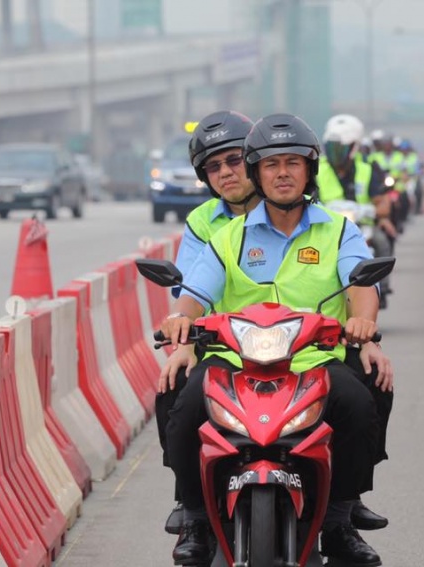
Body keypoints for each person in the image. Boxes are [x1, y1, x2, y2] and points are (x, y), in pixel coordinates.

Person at [161, 113, 391, 566]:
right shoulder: (227, 238)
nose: (282, 172)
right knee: (183, 397)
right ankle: (197, 519)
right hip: (234, 360)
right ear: (256, 172)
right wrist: (179, 321)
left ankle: (340, 519)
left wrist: (364, 326)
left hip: (314, 360)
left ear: (310, 170)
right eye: (270, 164)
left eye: (292, 163)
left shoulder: (339, 230)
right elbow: (194, 291)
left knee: (366, 393)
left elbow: (361, 286)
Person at [155, 110, 260, 535]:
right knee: (173, 394)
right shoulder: (203, 223)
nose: (226, 173)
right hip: (224, 347)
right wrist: (183, 340)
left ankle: (343, 509)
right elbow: (190, 293)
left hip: (299, 349)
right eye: (213, 167)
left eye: (234, 160)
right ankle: (192, 508)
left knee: (361, 388)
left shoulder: (299, 214)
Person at [317, 114, 397, 309]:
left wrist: (378, 212)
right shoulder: (317, 169)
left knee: (382, 239)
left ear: (354, 147)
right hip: (325, 226)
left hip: (361, 226)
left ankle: (382, 288)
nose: (335, 154)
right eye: (331, 148)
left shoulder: (368, 169)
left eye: (340, 149)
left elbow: (382, 201)